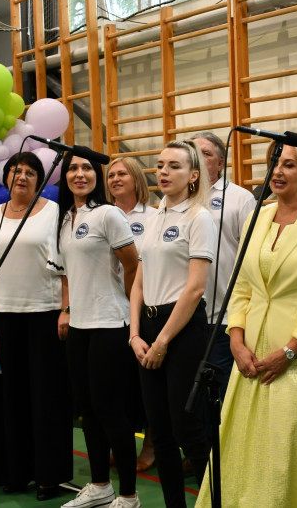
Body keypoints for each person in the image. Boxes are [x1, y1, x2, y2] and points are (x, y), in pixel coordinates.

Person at [195, 142, 297, 507]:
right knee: (246, 452)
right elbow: (242, 284)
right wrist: (236, 339)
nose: (278, 172)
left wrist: (290, 351)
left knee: (294, 457)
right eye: (274, 164)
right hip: (249, 357)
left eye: (289, 165)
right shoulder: (257, 218)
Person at [0, 151, 72, 502]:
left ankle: (49, 476)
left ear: (40, 179)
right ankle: (16, 472)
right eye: (17, 170)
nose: (23, 177)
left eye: (31, 172)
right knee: (11, 397)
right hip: (5, 315)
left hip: (45, 314)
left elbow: (65, 269)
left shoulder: (54, 213)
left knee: (47, 397)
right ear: (7, 177)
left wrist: (65, 310)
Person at [129, 140, 214, 508]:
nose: (163, 172)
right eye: (160, 165)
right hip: (147, 328)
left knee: (188, 430)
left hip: (181, 329)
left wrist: (163, 340)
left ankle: (215, 501)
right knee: (159, 431)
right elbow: (139, 280)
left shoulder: (199, 218)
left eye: (174, 166)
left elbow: (195, 288)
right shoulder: (152, 217)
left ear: (193, 175)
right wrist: (134, 334)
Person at [54, 154, 141, 508]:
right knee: (87, 409)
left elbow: (134, 267)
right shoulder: (65, 219)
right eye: (73, 168)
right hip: (79, 327)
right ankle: (101, 485)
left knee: (109, 411)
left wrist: (131, 316)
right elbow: (69, 274)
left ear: (98, 175)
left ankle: (129, 495)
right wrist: (67, 309)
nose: (80, 174)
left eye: (87, 168)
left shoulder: (108, 214)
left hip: (110, 324)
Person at [191, 131, 256, 393]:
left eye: (206, 153)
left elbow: (252, 258)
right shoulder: (172, 198)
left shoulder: (241, 199)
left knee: (220, 397)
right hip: (185, 317)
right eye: (194, 151)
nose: (198, 157)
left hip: (225, 319)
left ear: (220, 163)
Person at [106, 156, 156, 473]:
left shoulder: (153, 217)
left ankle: (151, 445)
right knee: (119, 386)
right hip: (110, 311)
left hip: (145, 309)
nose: (115, 178)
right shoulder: (101, 215)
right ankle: (122, 443)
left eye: (122, 173)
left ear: (136, 179)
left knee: (147, 384)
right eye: (110, 175)